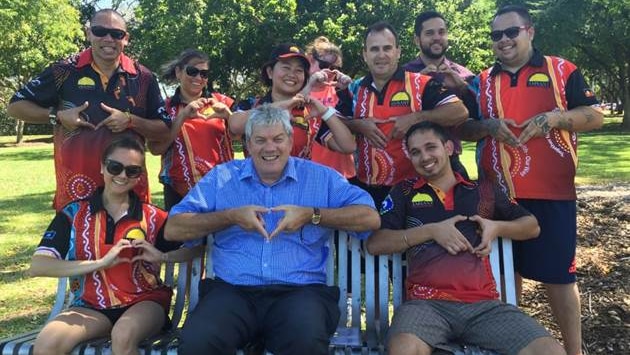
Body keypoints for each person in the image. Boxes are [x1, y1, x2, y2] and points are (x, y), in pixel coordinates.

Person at [164, 105, 381, 355]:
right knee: (198, 343)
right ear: (247, 143)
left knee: (305, 342)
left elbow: (369, 218)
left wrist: (312, 215)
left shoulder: (320, 178)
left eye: (278, 139)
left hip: (299, 293)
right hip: (233, 292)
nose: (270, 148)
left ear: (290, 141)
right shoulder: (222, 178)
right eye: (260, 140)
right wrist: (230, 216)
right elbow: (174, 228)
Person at [457, 5, 603, 355]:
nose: (504, 40)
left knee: (560, 278)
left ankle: (573, 350)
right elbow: (464, 129)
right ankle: (513, 346)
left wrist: (556, 119)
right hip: (499, 195)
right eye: (496, 35)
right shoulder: (481, 80)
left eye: (511, 32)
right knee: (508, 277)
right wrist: (488, 127)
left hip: (552, 193)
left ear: (530, 31)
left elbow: (594, 115)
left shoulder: (560, 69)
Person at [366, 121, 566, 355]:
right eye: (415, 152)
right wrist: (431, 231)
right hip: (425, 305)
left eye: (431, 147)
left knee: (550, 351)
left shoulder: (483, 190)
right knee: (403, 349)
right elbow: (376, 243)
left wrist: (496, 227)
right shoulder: (404, 192)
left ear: (449, 148)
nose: (424, 157)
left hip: (484, 306)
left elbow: (531, 226)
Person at [28, 137, 200, 355]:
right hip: (90, 306)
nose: (122, 176)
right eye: (115, 167)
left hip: (144, 302)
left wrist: (163, 257)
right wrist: (99, 263)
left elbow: (196, 247)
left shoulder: (153, 216)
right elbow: (39, 266)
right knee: (47, 343)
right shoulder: (74, 214)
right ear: (102, 166)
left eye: (132, 170)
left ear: (140, 175)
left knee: (123, 335)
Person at [7, 8, 170, 211]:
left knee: (132, 243)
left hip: (129, 190)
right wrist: (55, 116)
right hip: (76, 192)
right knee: (77, 242)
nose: (108, 38)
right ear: (88, 33)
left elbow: (164, 129)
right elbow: (15, 106)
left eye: (116, 34)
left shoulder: (143, 77)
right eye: (100, 31)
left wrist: (131, 121)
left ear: (126, 38)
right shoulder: (63, 71)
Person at [347, 21, 468, 208]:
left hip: (416, 190)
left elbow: (459, 111)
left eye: (387, 48)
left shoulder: (421, 84)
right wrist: (357, 125)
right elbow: (330, 119)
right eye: (374, 49)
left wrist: (415, 117)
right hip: (368, 191)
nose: (381, 55)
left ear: (398, 52)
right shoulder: (353, 89)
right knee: (374, 237)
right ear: (365, 54)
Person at [229, 43, 356, 160]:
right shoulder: (252, 104)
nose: (292, 74)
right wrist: (282, 106)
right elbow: (234, 125)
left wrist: (324, 111)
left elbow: (348, 146)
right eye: (286, 67)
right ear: (270, 72)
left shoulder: (309, 114)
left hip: (299, 183)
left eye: (299, 70)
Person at [150, 49, 235, 210]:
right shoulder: (165, 108)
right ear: (178, 72)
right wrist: (182, 117)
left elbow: (241, 136)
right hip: (179, 192)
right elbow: (155, 148)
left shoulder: (223, 102)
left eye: (204, 74)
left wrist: (229, 116)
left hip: (222, 188)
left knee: (223, 234)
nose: (198, 78)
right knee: (184, 234)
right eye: (192, 71)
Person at [403, 10, 479, 177]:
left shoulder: (464, 74)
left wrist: (462, 88)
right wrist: (416, 84)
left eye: (441, 32)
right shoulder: (404, 75)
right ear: (417, 39)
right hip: (411, 162)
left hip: (452, 162)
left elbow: (478, 117)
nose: (437, 37)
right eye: (429, 33)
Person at [302, 36, 356, 180]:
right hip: (310, 170)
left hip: (341, 171)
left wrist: (344, 90)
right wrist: (311, 82)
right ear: (310, 60)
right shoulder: (299, 88)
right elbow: (297, 104)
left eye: (335, 68)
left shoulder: (339, 90)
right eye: (325, 65)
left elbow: (348, 120)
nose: (330, 72)